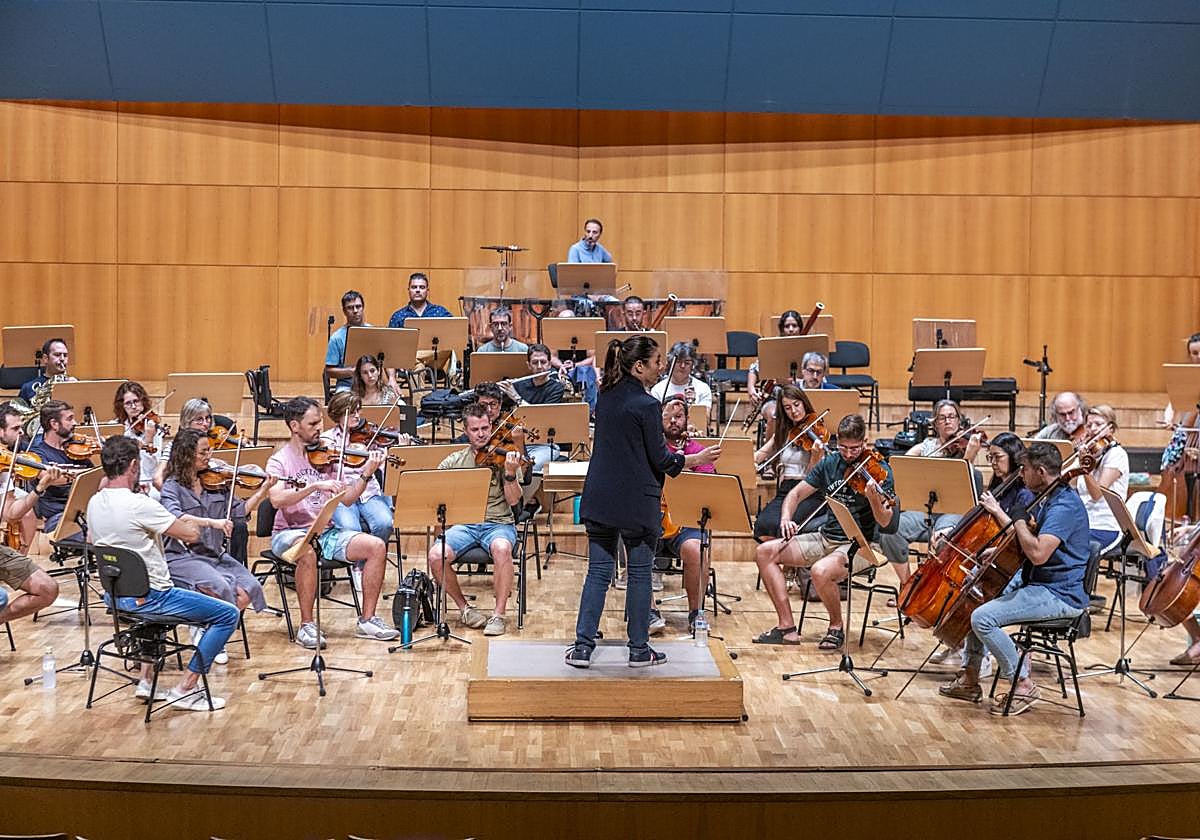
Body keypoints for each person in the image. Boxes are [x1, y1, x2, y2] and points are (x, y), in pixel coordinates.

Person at [566, 335, 719, 669]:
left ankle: (581, 647)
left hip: (601, 499)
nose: (662, 366)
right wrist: (696, 458)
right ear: (639, 367)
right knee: (638, 574)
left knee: (598, 573)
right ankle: (638, 650)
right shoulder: (648, 405)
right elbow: (662, 460)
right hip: (637, 503)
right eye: (657, 362)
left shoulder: (605, 397)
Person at [86, 435, 240, 711]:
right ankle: (186, 689)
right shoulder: (140, 505)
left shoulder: (94, 502)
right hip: (152, 596)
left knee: (159, 612)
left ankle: (146, 682)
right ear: (134, 466)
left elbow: (91, 540)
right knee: (227, 614)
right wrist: (196, 517)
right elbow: (191, 535)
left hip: (114, 596)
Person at [936, 442, 1090, 716]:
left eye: (1026, 469)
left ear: (1041, 472)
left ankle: (1023, 683)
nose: (1021, 475)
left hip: (1059, 595)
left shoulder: (1064, 507)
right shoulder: (1048, 497)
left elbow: (1039, 553)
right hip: (1040, 583)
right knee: (979, 594)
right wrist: (999, 550)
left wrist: (1018, 520)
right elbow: (1032, 544)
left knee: (983, 618)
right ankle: (970, 678)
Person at [753, 414, 896, 651]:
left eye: (855, 448)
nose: (849, 455)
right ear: (837, 440)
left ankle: (836, 626)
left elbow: (886, 521)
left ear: (865, 441)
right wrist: (786, 518)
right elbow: (795, 494)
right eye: (843, 447)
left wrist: (873, 500)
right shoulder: (830, 463)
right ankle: (787, 628)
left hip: (861, 545)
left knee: (820, 571)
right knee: (764, 552)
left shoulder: (879, 471)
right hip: (826, 537)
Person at [266, 397, 398, 648]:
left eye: (320, 422)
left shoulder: (326, 457)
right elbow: (276, 500)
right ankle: (306, 625)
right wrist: (314, 486)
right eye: (313, 423)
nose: (319, 429)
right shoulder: (279, 460)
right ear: (295, 426)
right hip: (290, 533)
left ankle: (367, 620)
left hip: (326, 533)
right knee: (307, 551)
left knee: (376, 547)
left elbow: (347, 499)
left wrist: (367, 472)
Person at [160, 429, 274, 666]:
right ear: (186, 455)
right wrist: (212, 522)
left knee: (250, 587)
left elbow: (239, 512)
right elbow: (175, 517)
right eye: (203, 452)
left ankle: (207, 628)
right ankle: (208, 632)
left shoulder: (216, 482)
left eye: (209, 450)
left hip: (213, 554)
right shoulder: (172, 486)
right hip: (183, 555)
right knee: (221, 586)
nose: (209, 456)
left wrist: (263, 491)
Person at [928, 432, 1033, 673]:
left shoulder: (1024, 493)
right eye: (990, 457)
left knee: (975, 593)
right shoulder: (999, 486)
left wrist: (996, 509)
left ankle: (979, 656)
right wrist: (953, 534)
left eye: (998, 457)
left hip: (1013, 565)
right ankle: (963, 647)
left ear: (1014, 457)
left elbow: (1018, 532)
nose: (993, 463)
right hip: (991, 556)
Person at [429, 403, 525, 638]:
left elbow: (514, 502)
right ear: (465, 430)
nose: (482, 434)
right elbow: (435, 496)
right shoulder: (454, 461)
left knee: (502, 549)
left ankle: (499, 615)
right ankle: (465, 609)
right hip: (465, 525)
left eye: (485, 428)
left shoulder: (505, 459)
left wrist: (511, 474)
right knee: (435, 555)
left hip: (499, 523)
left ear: (492, 426)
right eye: (475, 429)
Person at [879, 399, 983, 588]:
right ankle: (909, 586)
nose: (948, 421)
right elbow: (900, 468)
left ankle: (933, 589)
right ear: (935, 424)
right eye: (942, 418)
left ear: (959, 421)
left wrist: (969, 456)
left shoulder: (967, 446)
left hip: (953, 512)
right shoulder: (925, 447)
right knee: (890, 532)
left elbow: (965, 483)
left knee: (943, 537)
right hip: (924, 510)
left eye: (952, 417)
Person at [657, 395, 720, 633]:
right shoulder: (653, 446)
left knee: (695, 549)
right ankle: (648, 611)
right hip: (655, 519)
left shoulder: (698, 450)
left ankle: (696, 612)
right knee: (634, 543)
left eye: (679, 417)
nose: (674, 421)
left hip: (685, 524)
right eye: (668, 417)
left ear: (687, 420)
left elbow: (707, 488)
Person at [0, 403, 63, 624]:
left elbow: (11, 514)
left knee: (47, 589)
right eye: (16, 429)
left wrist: (40, 487)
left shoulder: (4, 468)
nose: (21, 434)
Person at [752, 385, 826, 541]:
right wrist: (750, 462)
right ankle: (781, 563)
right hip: (785, 490)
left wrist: (815, 455)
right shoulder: (784, 432)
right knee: (763, 525)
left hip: (808, 492)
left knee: (783, 528)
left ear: (804, 403)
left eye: (796, 404)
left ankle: (786, 562)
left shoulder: (817, 430)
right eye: (787, 407)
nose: (794, 411)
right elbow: (762, 453)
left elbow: (813, 476)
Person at [322, 391, 396, 543]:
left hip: (368, 494)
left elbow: (385, 467)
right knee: (351, 529)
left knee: (385, 524)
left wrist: (387, 456)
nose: (357, 415)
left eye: (358, 411)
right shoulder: (327, 440)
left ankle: (366, 564)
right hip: (342, 497)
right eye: (351, 412)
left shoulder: (370, 438)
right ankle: (358, 561)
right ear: (338, 415)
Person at [499, 344, 567, 476]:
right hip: (517, 441)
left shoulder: (556, 388)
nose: (540, 366)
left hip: (545, 444)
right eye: (535, 363)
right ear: (529, 365)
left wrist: (516, 397)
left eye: (543, 362)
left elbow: (539, 418)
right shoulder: (519, 385)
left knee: (530, 469)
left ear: (549, 364)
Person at [29, 400, 93, 532]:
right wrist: (83, 475)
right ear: (54, 424)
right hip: (58, 517)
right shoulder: (37, 453)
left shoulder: (76, 450)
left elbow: (93, 475)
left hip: (84, 511)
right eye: (69, 419)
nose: (75, 423)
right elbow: (48, 477)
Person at [1072, 405, 1128, 556]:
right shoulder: (1090, 454)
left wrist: (1085, 467)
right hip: (1083, 523)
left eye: (1098, 424)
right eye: (1089, 425)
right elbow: (1072, 486)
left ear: (1111, 428)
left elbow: (1096, 494)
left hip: (1106, 526)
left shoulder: (1117, 455)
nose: (1093, 429)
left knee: (1070, 551)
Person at [746, 310, 803, 447]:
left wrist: (791, 381)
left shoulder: (807, 349)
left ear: (800, 328)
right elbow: (754, 369)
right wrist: (751, 388)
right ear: (781, 329)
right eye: (787, 326)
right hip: (773, 397)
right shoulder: (773, 348)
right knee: (774, 415)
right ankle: (770, 457)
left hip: (799, 397)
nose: (790, 330)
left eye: (794, 326)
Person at [114, 381, 165, 497]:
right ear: (121, 406)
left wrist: (149, 440)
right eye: (128, 403)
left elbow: (152, 468)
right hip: (123, 481)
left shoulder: (153, 428)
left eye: (136, 401)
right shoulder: (117, 427)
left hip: (148, 481)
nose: (133, 406)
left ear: (143, 401)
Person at [325, 290, 368, 392]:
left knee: (399, 404)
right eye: (350, 308)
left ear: (363, 308)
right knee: (347, 405)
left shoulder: (374, 332)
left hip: (372, 386)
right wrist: (352, 371)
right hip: (347, 386)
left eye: (358, 306)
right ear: (344, 311)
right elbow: (329, 371)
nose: (355, 311)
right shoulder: (336, 338)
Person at [649, 341, 713, 409]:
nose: (682, 366)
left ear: (693, 365)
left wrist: (693, 405)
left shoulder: (703, 388)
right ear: (671, 363)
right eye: (678, 361)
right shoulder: (657, 390)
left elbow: (706, 417)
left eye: (687, 363)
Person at [18, 337, 75, 403]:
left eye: (65, 355)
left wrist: (76, 389)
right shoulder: (28, 388)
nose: (62, 359)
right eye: (57, 355)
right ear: (45, 358)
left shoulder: (75, 384)